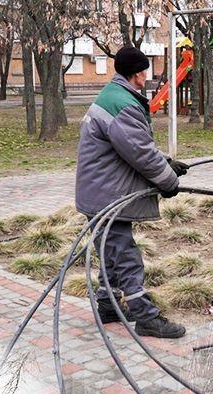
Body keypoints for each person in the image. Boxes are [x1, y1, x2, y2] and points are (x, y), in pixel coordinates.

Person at [75, 45, 187, 339]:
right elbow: (139, 152)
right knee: (125, 254)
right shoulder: (122, 104)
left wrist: (167, 164)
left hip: (99, 191)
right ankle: (146, 318)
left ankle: (109, 305)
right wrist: (168, 182)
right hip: (107, 195)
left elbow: (130, 147)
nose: (146, 78)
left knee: (110, 251)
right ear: (138, 74)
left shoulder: (114, 96)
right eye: (145, 72)